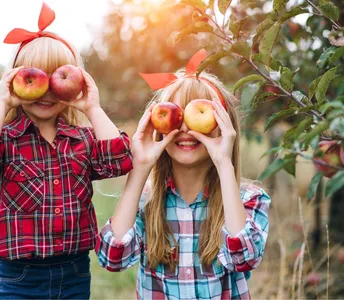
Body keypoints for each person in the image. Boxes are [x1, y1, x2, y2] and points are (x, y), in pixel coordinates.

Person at [0, 3, 133, 299]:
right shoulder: (5, 140)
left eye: (59, 77)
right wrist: (2, 103)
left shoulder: (81, 139)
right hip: (20, 277)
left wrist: (92, 107)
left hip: (75, 272)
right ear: (15, 81)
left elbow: (120, 160)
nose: (48, 89)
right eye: (34, 77)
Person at [96, 49, 271, 299]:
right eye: (176, 116)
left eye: (199, 114)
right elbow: (112, 257)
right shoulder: (147, 201)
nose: (187, 128)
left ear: (224, 126)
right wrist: (141, 167)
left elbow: (244, 257)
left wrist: (224, 163)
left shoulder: (248, 199)